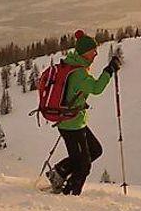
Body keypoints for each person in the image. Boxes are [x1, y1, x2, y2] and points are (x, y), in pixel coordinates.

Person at [46, 31, 121, 195]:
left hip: (74, 121)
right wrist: (109, 71)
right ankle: (69, 194)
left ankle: (59, 172)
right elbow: (96, 88)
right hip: (72, 125)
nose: (95, 54)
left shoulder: (73, 64)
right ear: (84, 52)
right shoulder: (78, 73)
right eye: (93, 51)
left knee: (95, 150)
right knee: (83, 165)